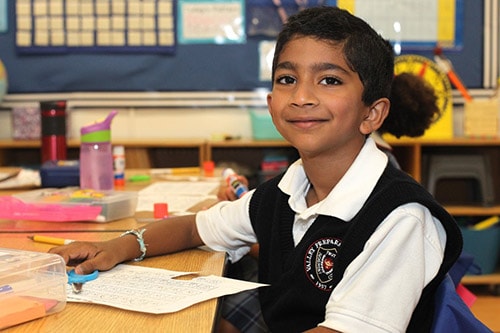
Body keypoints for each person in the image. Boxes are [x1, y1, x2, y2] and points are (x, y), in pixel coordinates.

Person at [49, 6, 462, 332]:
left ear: (372, 113)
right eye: (286, 79)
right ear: (270, 104)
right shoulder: (288, 187)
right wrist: (119, 247)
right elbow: (195, 229)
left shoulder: (400, 219)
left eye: (330, 81)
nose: (301, 97)